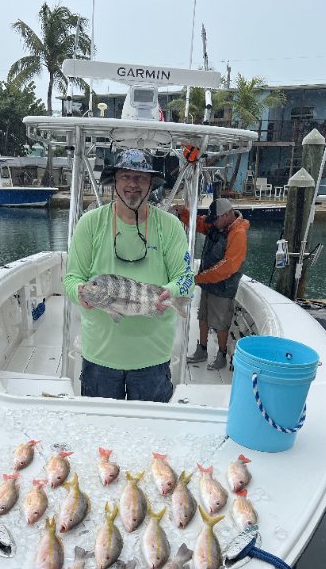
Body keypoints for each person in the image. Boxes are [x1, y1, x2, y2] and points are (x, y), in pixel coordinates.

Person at [63, 148, 194, 403]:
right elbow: (71, 279)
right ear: (114, 181)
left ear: (151, 184)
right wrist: (78, 292)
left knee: (149, 427)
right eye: (125, 176)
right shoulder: (90, 223)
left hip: (152, 359)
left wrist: (170, 292)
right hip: (99, 357)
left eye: (141, 178)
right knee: (101, 425)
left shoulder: (170, 226)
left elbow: (186, 279)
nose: (132, 184)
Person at [176, 198, 249, 370]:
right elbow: (200, 223)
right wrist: (184, 213)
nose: (213, 222)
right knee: (203, 316)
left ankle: (221, 355)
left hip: (224, 287)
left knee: (221, 323)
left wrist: (199, 278)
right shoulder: (217, 224)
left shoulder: (238, 233)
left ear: (226, 215)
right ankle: (202, 349)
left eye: (215, 219)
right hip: (208, 282)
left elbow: (227, 267)